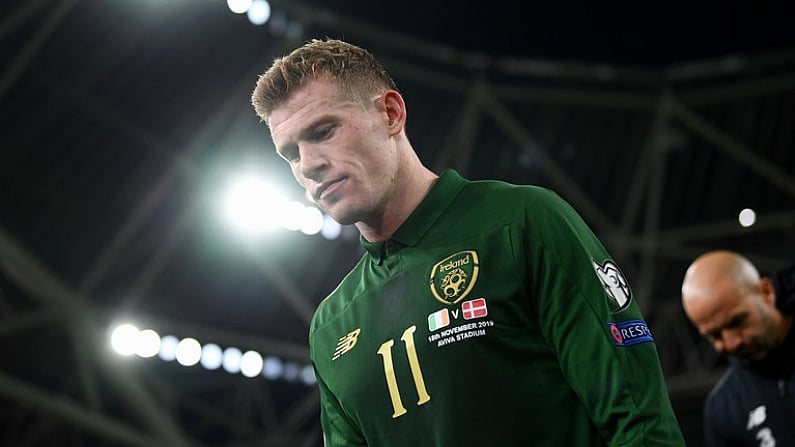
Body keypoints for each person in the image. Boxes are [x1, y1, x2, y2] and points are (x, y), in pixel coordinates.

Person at [251, 38, 685, 446]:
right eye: (290, 153)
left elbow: (639, 419)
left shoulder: (522, 222)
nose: (308, 165)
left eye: (323, 131)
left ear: (390, 114)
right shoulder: (331, 326)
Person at [681, 250, 795, 447]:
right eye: (714, 335)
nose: (732, 343)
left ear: (767, 292)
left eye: (737, 322)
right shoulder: (724, 411)